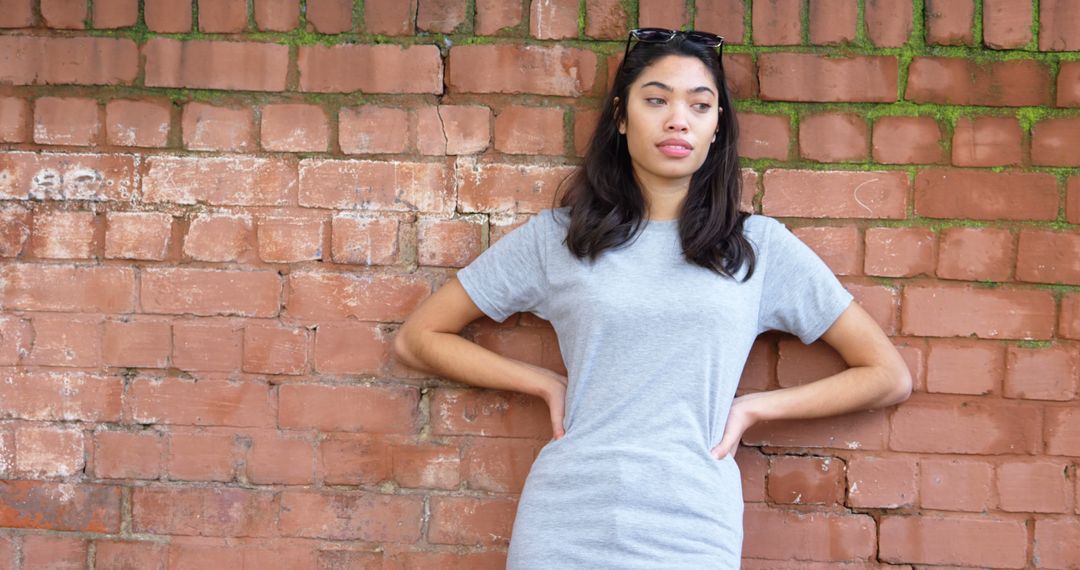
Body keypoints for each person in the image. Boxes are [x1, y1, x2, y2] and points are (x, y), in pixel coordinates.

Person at [393, 27, 912, 569]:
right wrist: (543, 382)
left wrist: (754, 408)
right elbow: (418, 338)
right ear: (621, 116)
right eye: (656, 100)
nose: (677, 119)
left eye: (700, 105)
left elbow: (886, 375)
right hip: (567, 521)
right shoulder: (559, 239)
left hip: (692, 527)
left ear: (716, 128)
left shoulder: (758, 250)